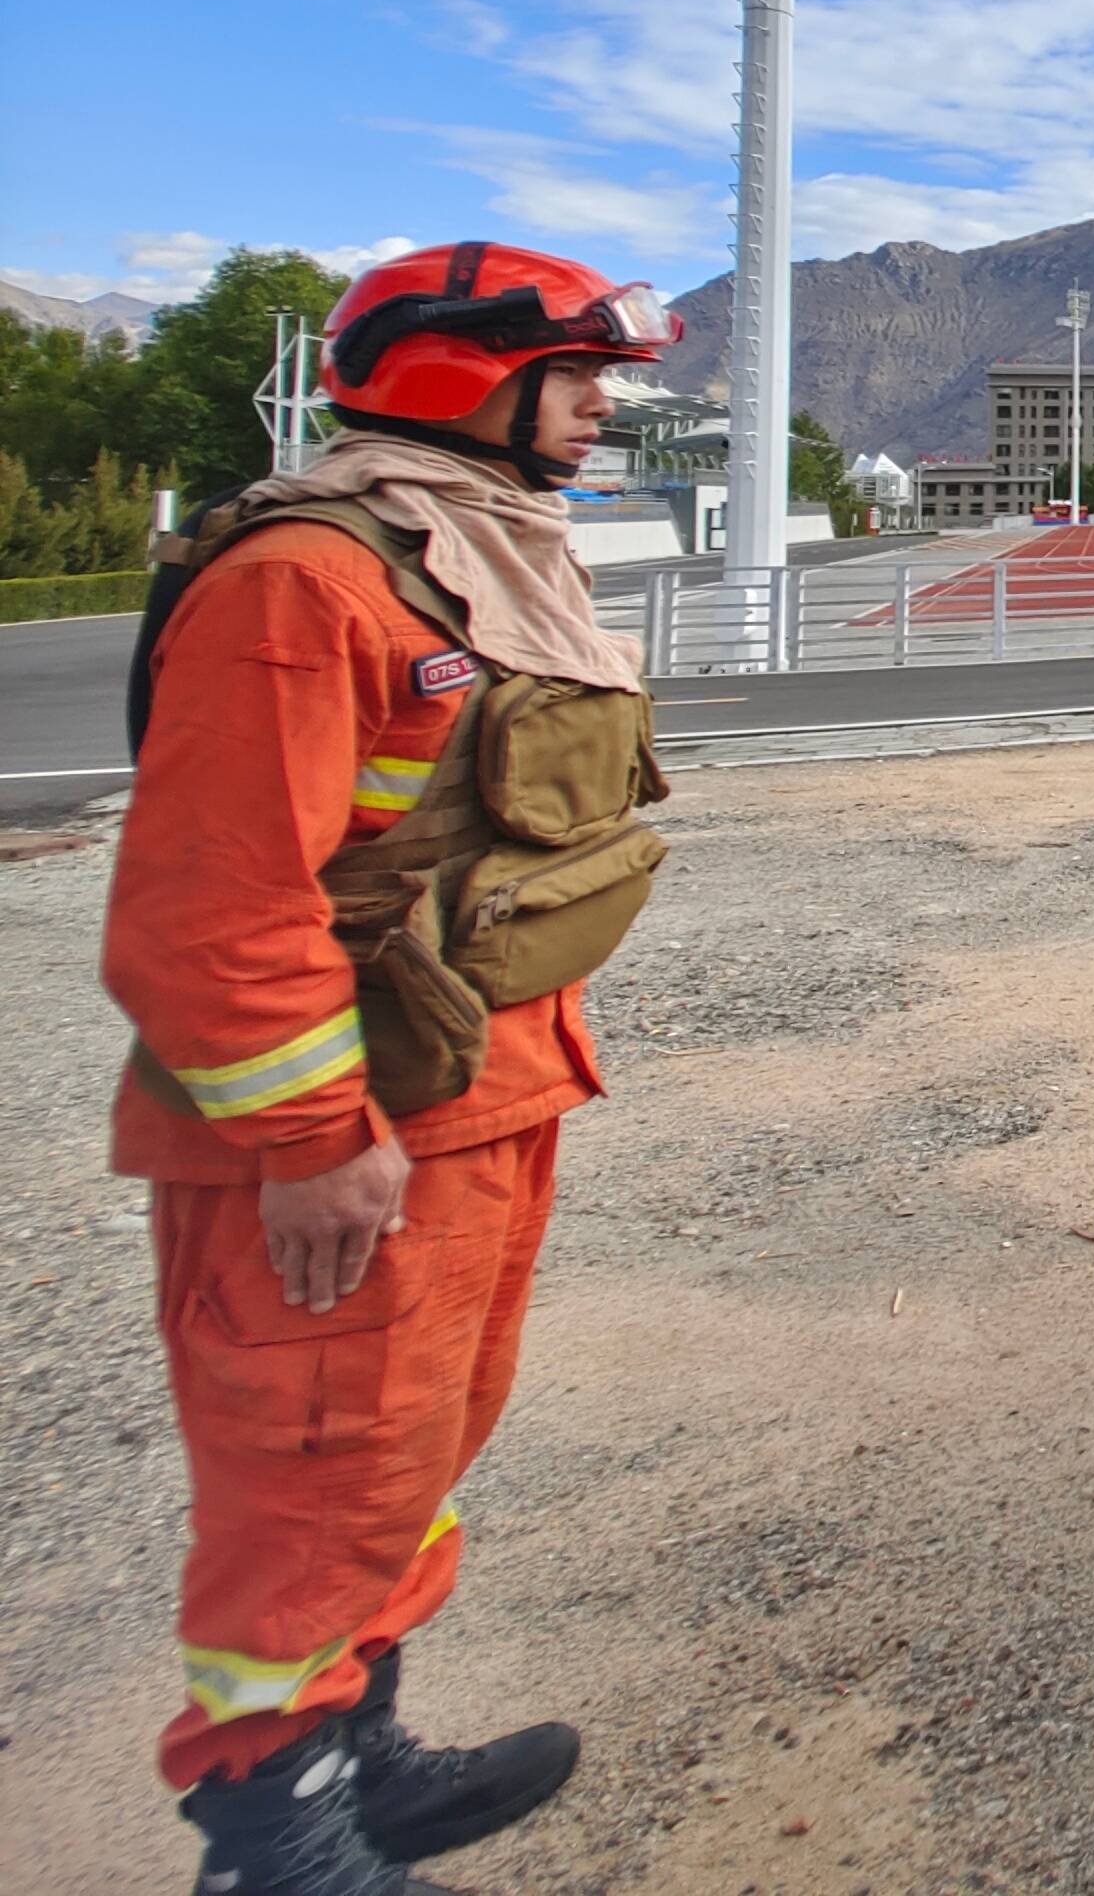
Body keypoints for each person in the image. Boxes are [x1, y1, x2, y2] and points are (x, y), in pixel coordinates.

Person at [102, 243, 686, 1896]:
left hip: (466, 1093)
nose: (599, 401)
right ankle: (275, 1842)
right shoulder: (313, 577)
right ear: (456, 372)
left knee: (409, 1450)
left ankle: (362, 1753)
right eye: (573, 372)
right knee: (314, 1474)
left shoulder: (464, 556)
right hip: (348, 1124)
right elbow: (211, 905)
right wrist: (303, 1135)